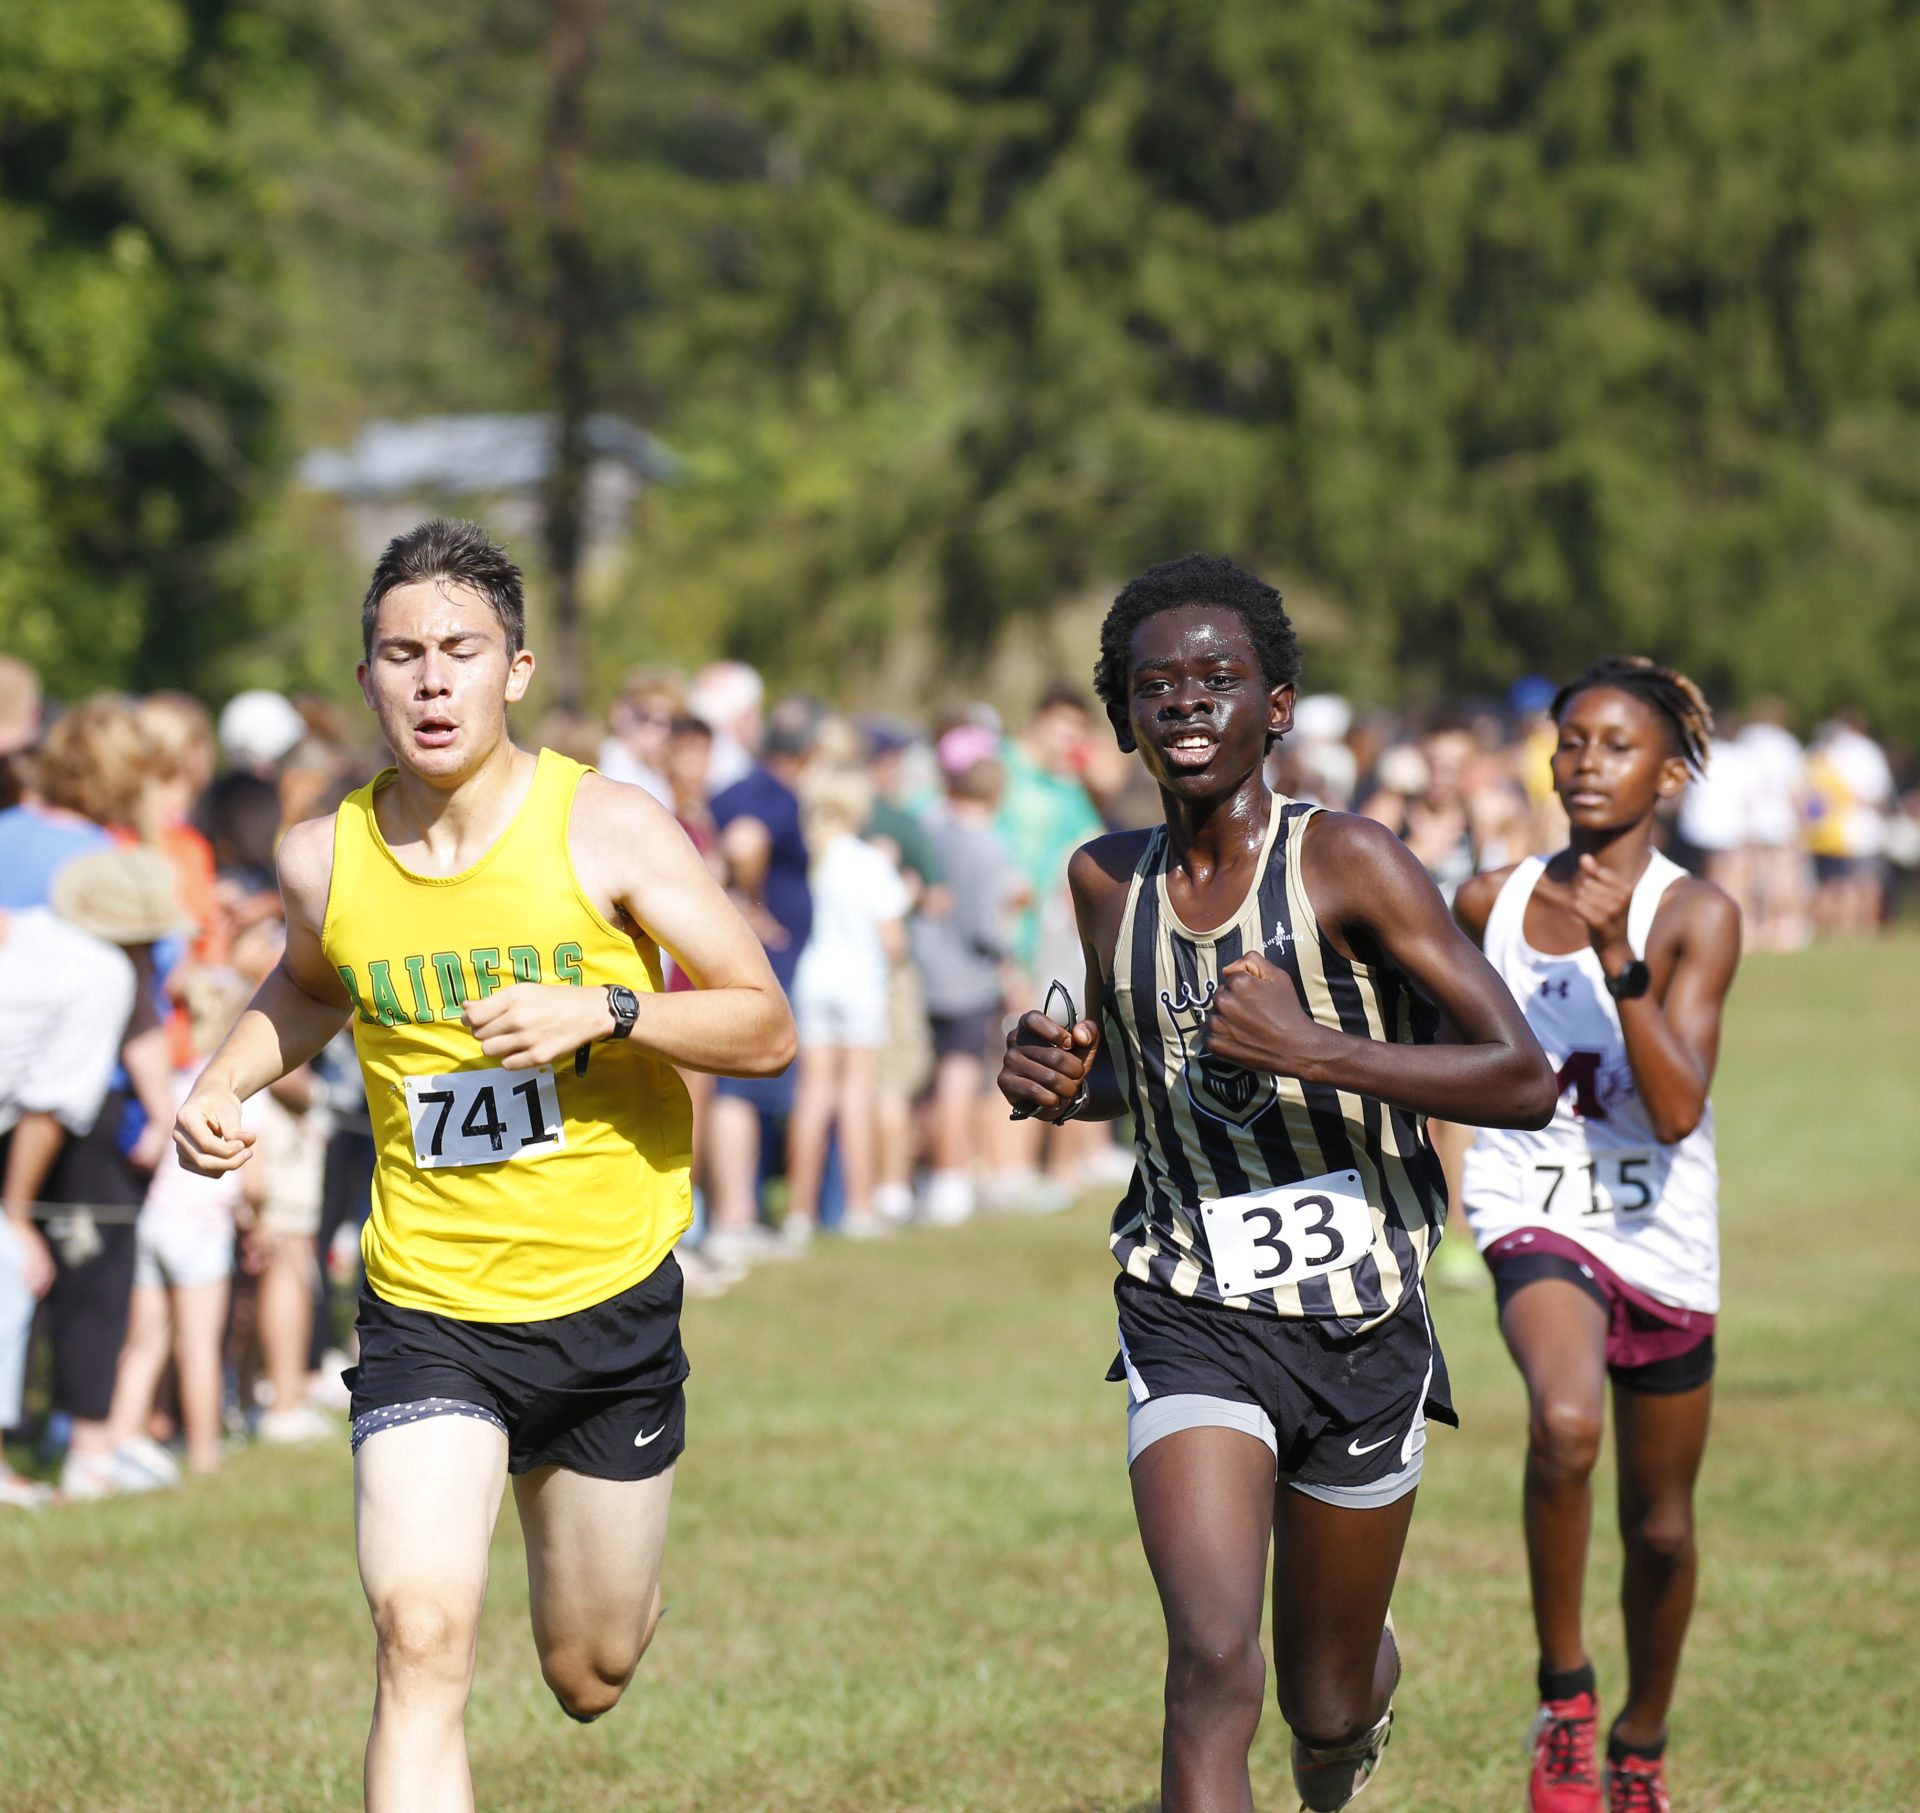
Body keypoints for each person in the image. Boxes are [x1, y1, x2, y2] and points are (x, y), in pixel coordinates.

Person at [173, 519, 794, 1812]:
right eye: (403, 655)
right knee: (419, 1636)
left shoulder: (608, 828)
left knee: (589, 1670)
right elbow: (310, 987)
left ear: (514, 670)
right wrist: (221, 1083)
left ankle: (607, 1587)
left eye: (461, 651)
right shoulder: (323, 855)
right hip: (429, 1309)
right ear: (367, 681)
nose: (433, 680)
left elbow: (764, 1025)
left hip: (605, 1300)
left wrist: (606, 1010)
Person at [998, 554, 1555, 1813]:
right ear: (1123, 716)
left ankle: (1354, 1688)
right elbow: (1141, 1070)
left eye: (1219, 677)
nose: (1188, 701)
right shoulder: (1104, 880)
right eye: (1158, 685)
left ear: (1279, 705)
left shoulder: (1351, 862)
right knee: (1210, 1658)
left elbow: (1522, 1076)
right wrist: (1063, 1077)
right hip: (1187, 1301)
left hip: (1360, 1318)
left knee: (1323, 1700)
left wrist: (1315, 1049)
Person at [1452, 657, 1740, 1813]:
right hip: (1532, 1205)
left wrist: (1621, 959)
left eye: (1618, 745)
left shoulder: (1697, 915)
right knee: (1566, 1422)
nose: (1585, 762)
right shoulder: (1489, 901)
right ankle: (1565, 1699)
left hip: (1660, 1227)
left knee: (1661, 1529)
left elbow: (1675, 1109)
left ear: (1668, 775)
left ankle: (1641, 1739)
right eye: (1571, 739)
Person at [0, 852, 155, 1508]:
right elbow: (49, 1106)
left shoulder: (37, 930)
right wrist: (17, 1215)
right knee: (10, 1276)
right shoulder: (103, 973)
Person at [783, 769, 910, 1243]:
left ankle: (799, 1214)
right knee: (855, 1093)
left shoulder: (811, 857)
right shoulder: (870, 861)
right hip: (860, 983)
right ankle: (858, 1208)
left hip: (813, 978)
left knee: (813, 1096)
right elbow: (893, 941)